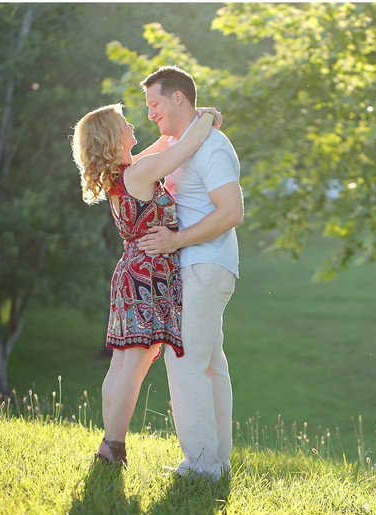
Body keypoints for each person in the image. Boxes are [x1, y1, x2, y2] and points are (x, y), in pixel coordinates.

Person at [71, 102, 219, 465]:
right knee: (131, 367)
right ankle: (113, 446)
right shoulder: (138, 174)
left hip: (134, 272)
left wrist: (184, 120)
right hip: (146, 275)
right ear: (113, 136)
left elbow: (168, 141)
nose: (133, 123)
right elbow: (183, 148)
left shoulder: (126, 172)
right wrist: (210, 119)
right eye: (125, 122)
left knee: (122, 365)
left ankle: (109, 443)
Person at [136, 65, 244, 480]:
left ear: (178, 97)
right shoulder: (183, 141)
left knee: (185, 361)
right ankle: (214, 462)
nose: (151, 113)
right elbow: (133, 164)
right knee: (209, 363)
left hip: (204, 263)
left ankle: (200, 466)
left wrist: (176, 241)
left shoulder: (211, 146)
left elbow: (231, 212)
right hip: (201, 265)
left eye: (155, 103)